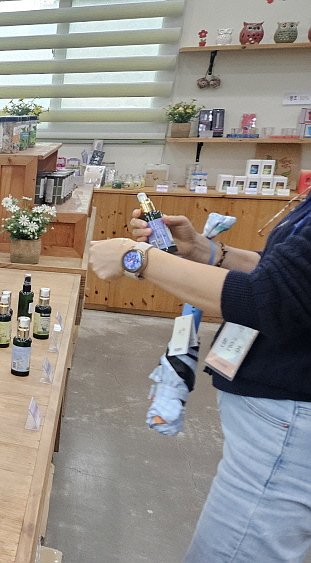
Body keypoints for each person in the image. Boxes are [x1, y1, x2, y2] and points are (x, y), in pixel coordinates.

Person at [89, 198, 311, 563]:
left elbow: (273, 297)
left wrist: (138, 258)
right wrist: (203, 250)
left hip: (287, 433)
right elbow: (285, 275)